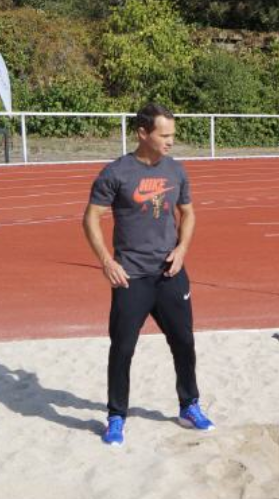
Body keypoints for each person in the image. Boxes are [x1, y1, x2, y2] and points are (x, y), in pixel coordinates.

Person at [82, 103, 215, 446]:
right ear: (143, 133)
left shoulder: (176, 170)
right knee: (123, 348)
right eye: (164, 134)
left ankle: (189, 405)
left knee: (184, 342)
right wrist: (107, 261)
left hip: (170, 274)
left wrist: (182, 249)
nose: (171, 141)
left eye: (173, 134)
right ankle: (116, 416)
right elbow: (91, 217)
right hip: (131, 277)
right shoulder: (116, 172)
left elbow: (188, 213)